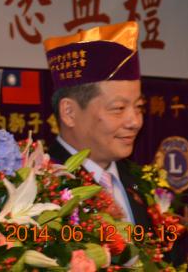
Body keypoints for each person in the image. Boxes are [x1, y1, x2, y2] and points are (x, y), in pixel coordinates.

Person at [43, 21, 150, 228]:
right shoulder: (43, 187)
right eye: (118, 108)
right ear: (69, 112)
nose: (135, 122)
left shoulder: (138, 183)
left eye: (138, 107)